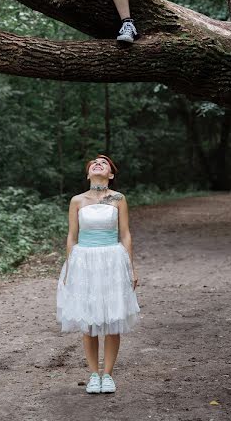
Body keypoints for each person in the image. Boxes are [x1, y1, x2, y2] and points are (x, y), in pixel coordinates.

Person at [56, 154, 140, 394]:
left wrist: (131, 267)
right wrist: (70, 267)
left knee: (113, 319)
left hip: (112, 260)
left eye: (104, 163)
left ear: (111, 175)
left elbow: (125, 234)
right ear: (88, 174)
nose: (98, 163)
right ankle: (94, 374)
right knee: (89, 321)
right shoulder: (77, 201)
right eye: (93, 163)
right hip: (84, 261)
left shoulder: (118, 199)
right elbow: (72, 236)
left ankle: (108, 375)